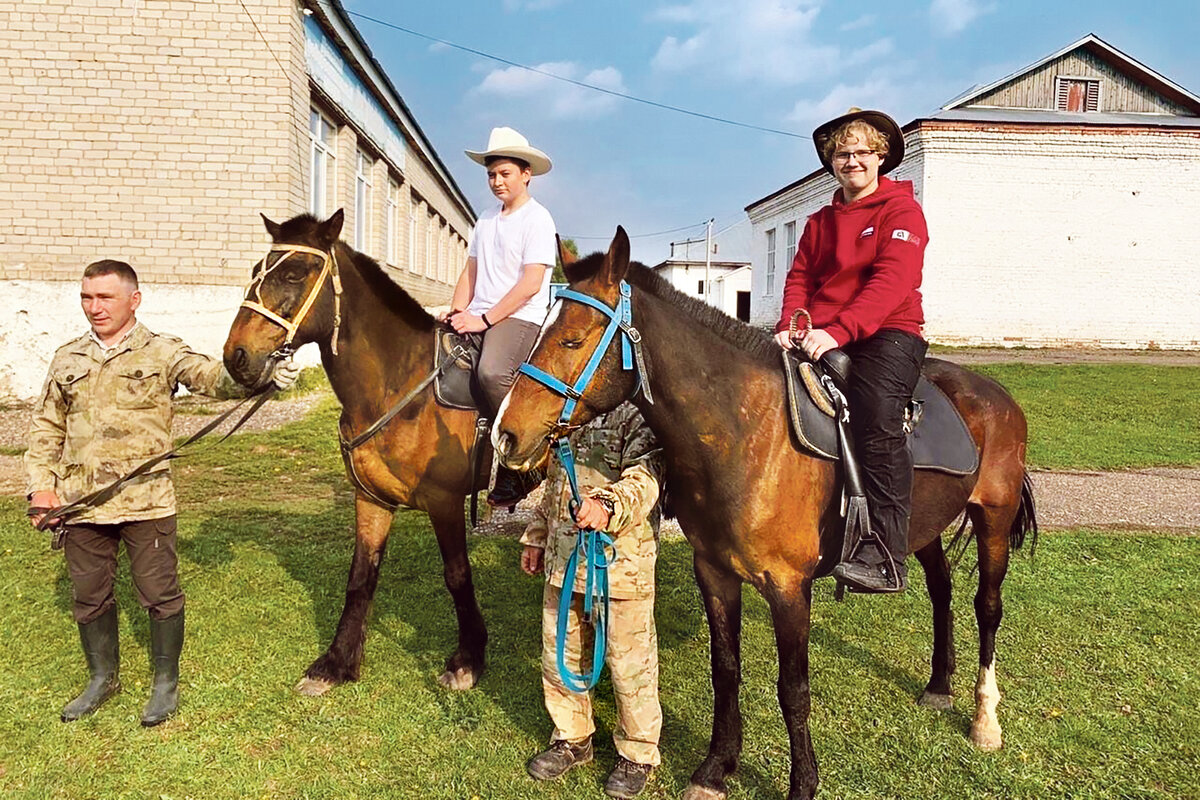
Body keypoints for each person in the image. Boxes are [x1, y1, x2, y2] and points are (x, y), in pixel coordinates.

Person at [24, 259, 300, 725]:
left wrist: (265, 376)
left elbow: (214, 379)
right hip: (82, 502)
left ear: (134, 299)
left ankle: (164, 685)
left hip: (146, 500)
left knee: (160, 594)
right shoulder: (67, 357)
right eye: (87, 297)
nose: (95, 307)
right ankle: (101, 678)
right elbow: (47, 425)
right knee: (89, 596)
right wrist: (40, 489)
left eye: (105, 297)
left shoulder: (161, 350)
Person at [774, 108, 929, 594]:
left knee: (877, 419)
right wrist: (791, 324)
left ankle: (886, 552)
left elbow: (892, 281)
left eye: (862, 152)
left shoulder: (902, 211)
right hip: (822, 330)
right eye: (843, 153)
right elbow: (800, 276)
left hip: (889, 331)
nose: (852, 161)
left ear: (881, 156)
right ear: (832, 161)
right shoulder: (820, 221)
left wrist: (839, 331)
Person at [519, 403, 664, 800]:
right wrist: (536, 535)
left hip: (619, 568)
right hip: (564, 562)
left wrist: (608, 506)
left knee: (629, 666)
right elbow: (553, 485)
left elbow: (647, 477)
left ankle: (637, 752)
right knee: (559, 656)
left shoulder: (637, 417)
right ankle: (572, 737)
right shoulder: (566, 415)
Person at [439, 126, 557, 507]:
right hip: (480, 313)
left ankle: (522, 460)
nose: (496, 181)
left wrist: (484, 320)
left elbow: (531, 284)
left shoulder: (538, 220)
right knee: (438, 358)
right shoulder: (486, 219)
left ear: (526, 174)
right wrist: (458, 309)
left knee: (491, 372)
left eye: (505, 173)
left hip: (520, 316)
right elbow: (470, 271)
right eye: (491, 174)